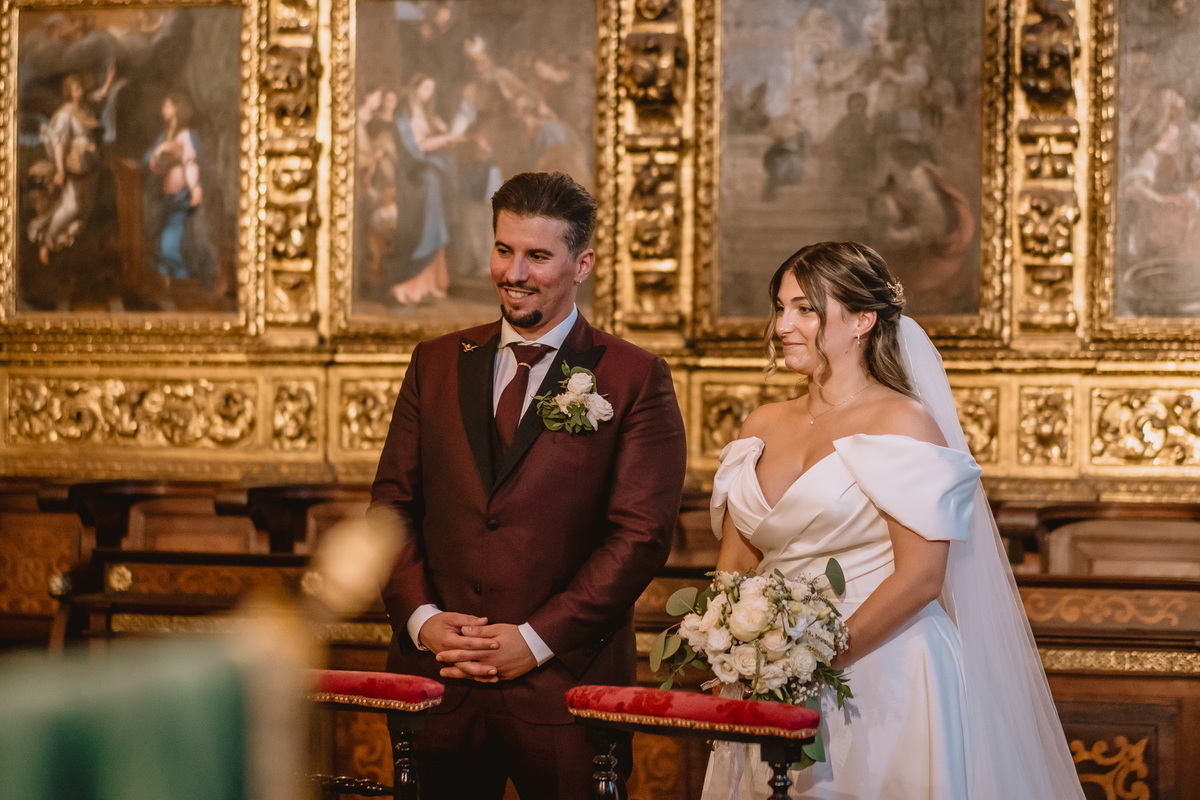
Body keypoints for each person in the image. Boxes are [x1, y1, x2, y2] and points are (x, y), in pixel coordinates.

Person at [702, 241, 1085, 799]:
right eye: (780, 308)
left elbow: (921, 577)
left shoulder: (903, 421)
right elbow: (736, 565)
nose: (782, 326)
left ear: (862, 319)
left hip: (885, 672)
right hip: (767, 676)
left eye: (806, 309)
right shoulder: (760, 424)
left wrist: (814, 662)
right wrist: (735, 652)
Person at [372, 171, 688, 799]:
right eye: (503, 249)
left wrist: (534, 640)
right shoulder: (434, 362)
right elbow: (391, 508)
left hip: (567, 693)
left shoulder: (633, 378)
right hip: (440, 687)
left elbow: (640, 537)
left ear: (582, 264)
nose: (514, 273)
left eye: (537, 256)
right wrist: (424, 621)